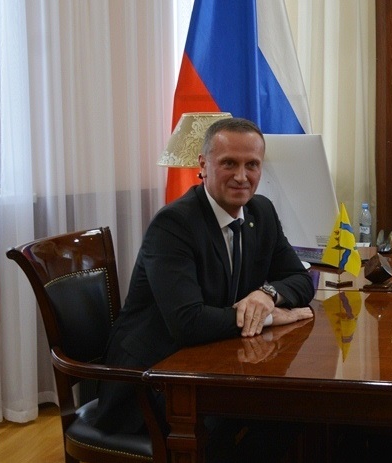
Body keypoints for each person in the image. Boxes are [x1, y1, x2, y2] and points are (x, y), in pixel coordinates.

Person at [94, 117, 315, 462]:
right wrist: (271, 317)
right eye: (229, 163)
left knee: (299, 412)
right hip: (149, 381)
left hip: (211, 364)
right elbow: (188, 322)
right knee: (272, 415)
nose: (242, 176)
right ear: (203, 165)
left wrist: (267, 295)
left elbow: (300, 279)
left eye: (252, 165)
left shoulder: (261, 212)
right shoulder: (174, 224)